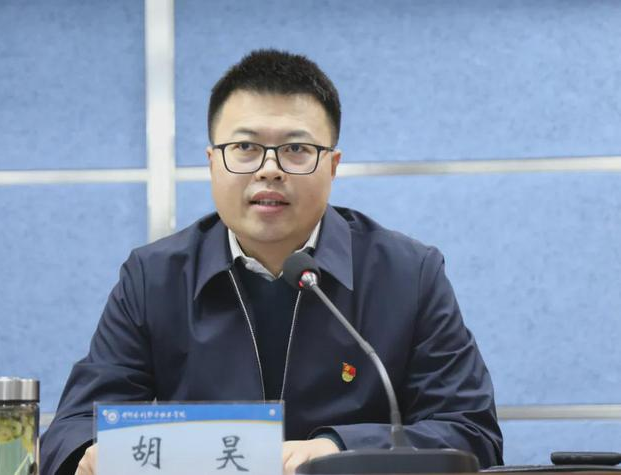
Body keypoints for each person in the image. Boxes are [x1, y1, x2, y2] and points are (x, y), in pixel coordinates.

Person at [40, 49, 503, 475]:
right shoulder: (154, 278)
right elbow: (71, 430)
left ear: (333, 165)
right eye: (245, 148)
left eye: (296, 149)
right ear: (212, 162)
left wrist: (339, 449)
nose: (269, 169)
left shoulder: (408, 274)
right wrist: (92, 453)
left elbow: (471, 434)